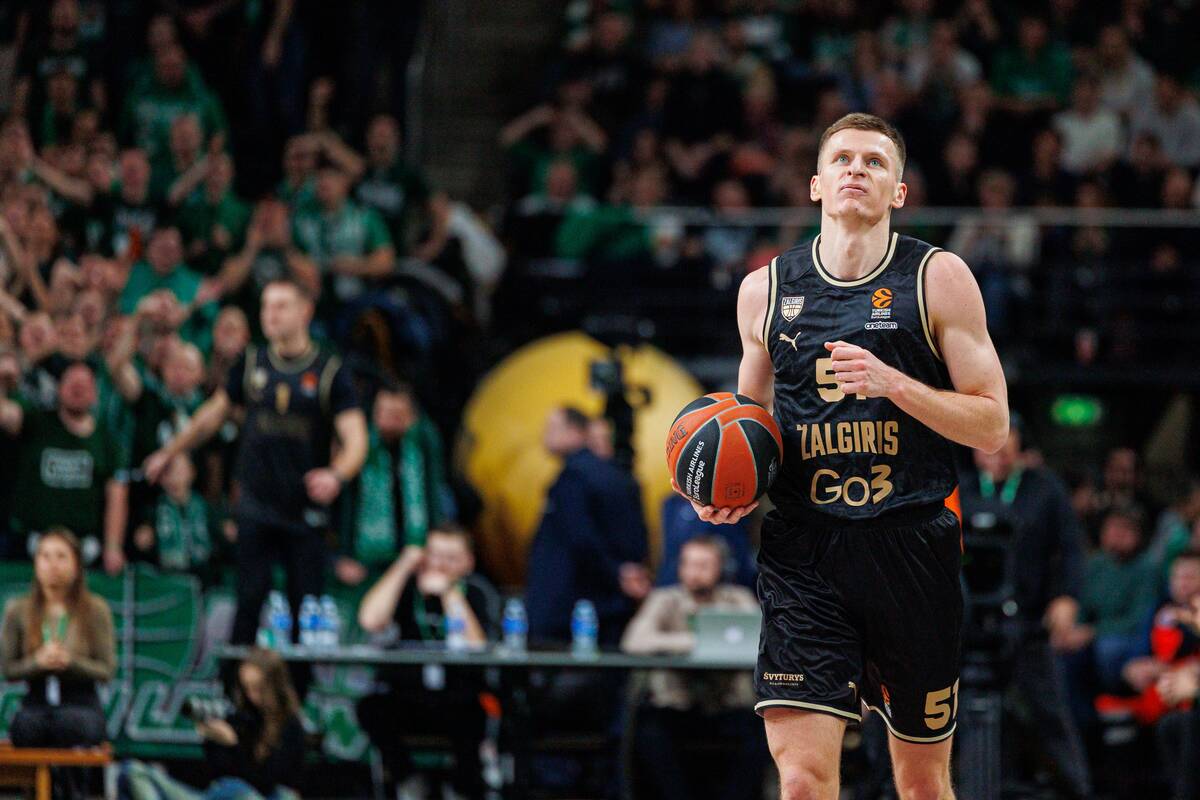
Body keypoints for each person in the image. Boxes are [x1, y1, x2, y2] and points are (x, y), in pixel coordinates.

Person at [686, 112, 1008, 799]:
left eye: (874, 162)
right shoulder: (764, 291)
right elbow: (753, 430)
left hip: (910, 545)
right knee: (803, 781)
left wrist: (895, 384)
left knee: (922, 786)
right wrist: (732, 492)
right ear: (815, 184)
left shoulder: (938, 278)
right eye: (842, 159)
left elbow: (992, 425)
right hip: (806, 554)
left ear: (899, 191)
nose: (856, 169)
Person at [142, 278, 367, 691]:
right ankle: (233, 697)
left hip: (305, 511)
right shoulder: (251, 364)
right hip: (257, 505)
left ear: (305, 312)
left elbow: (356, 439)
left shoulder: (328, 371)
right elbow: (212, 414)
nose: (270, 315)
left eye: (281, 305)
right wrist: (170, 452)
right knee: (249, 601)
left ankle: (297, 701)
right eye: (266, 306)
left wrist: (336, 474)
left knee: (304, 609)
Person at [958, 418, 1091, 798]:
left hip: (1027, 620)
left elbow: (1071, 548)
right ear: (974, 448)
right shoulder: (961, 489)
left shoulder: (1044, 488)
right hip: (967, 623)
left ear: (1019, 447)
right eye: (989, 445)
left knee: (1047, 712)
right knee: (948, 712)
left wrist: (1067, 597)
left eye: (1006, 444)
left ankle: (1077, 789)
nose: (997, 453)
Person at [356, 525, 499, 800]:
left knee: (474, 714)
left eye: (451, 558)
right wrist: (403, 566)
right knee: (372, 708)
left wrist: (449, 593)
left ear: (468, 562)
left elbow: (477, 646)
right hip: (408, 696)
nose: (440, 565)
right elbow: (370, 620)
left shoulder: (476, 591)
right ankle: (408, 780)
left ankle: (462, 788)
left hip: (457, 697)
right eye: (434, 555)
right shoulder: (406, 590)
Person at [621, 535, 767, 800]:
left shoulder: (737, 598)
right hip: (676, 704)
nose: (694, 572)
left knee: (761, 731)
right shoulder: (665, 599)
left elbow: (763, 640)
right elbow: (634, 641)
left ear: (721, 567)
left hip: (727, 704)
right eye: (688, 564)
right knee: (648, 731)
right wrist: (698, 641)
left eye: (703, 565)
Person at [1, 529, 115, 799]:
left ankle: (73, 792)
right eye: (45, 556)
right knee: (26, 726)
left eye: (61, 557)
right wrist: (37, 663)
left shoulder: (95, 609)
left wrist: (71, 662)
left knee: (72, 725)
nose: (53, 565)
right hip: (37, 703)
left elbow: (107, 670)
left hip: (81, 703)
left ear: (76, 564)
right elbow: (8, 669)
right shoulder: (18, 609)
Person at [526, 406, 649, 646]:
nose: (545, 435)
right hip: (612, 604)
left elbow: (580, 537)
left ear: (576, 432)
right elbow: (638, 537)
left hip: (568, 607)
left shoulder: (574, 477)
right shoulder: (621, 477)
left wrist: (616, 572)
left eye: (553, 428)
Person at [118, 647, 304, 800]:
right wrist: (213, 740)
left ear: (273, 686)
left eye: (257, 688)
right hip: (217, 794)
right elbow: (214, 776)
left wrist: (233, 745)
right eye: (246, 688)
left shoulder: (290, 726)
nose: (251, 695)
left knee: (241, 790)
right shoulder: (242, 715)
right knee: (132, 771)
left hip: (256, 795)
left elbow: (265, 782)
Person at [0, 361, 129, 572]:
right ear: (59, 389)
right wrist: (3, 382)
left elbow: (117, 494)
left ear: (95, 394)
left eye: (84, 385)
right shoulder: (36, 423)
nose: (78, 390)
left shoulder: (106, 440)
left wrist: (113, 546)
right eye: (72, 384)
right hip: (32, 545)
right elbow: (5, 416)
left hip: (85, 550)